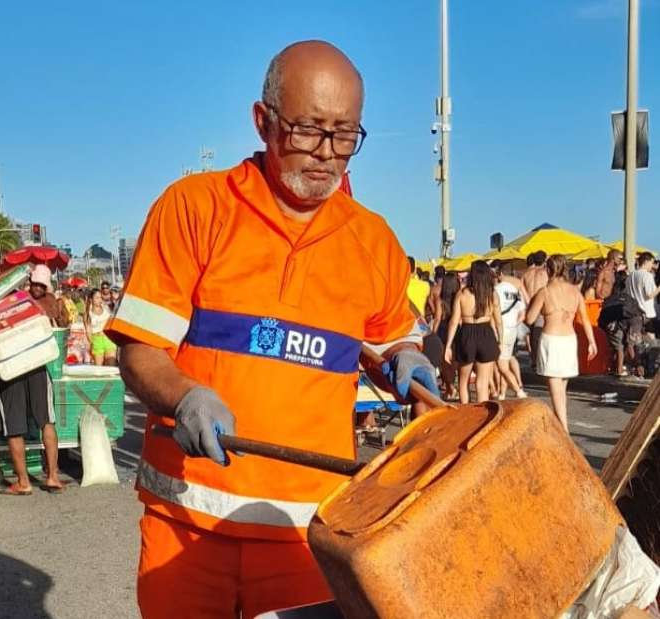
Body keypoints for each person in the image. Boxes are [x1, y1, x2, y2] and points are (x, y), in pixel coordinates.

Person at [105, 40, 438, 618]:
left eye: (345, 135)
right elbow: (140, 350)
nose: (327, 154)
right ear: (263, 121)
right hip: (188, 521)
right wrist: (184, 396)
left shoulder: (373, 240)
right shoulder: (194, 208)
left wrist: (405, 358)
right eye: (308, 130)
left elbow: (391, 339)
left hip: (308, 530)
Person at [0, 267, 66, 496]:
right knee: (43, 421)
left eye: (40, 285)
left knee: (17, 425)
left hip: (14, 366)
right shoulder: (50, 302)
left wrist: (10, 277)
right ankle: (48, 477)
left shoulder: (18, 299)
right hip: (33, 365)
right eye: (35, 283)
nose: (37, 288)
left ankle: (29, 481)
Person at [526, 255, 597, 431]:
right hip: (569, 340)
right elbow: (585, 319)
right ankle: (561, 426)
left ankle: (563, 430)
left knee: (556, 391)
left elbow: (530, 319)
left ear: (548, 270)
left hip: (551, 340)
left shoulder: (544, 292)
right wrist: (591, 341)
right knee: (561, 390)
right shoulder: (575, 292)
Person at [444, 260, 501, 404]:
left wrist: (448, 345)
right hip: (486, 333)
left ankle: (466, 411)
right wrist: (500, 340)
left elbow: (454, 321)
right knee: (482, 383)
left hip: (467, 333)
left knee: (463, 381)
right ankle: (482, 413)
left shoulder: (462, 294)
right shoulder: (492, 294)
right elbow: (499, 321)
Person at [492, 262, 528, 399]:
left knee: (502, 366)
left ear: (500, 274)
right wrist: (513, 323)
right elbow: (522, 314)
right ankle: (502, 393)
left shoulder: (495, 290)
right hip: (512, 330)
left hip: (500, 330)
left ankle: (518, 390)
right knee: (505, 361)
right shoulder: (515, 291)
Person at [433, 272, 460, 400]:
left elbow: (437, 318)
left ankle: (450, 388)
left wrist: (433, 333)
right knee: (454, 361)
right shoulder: (459, 297)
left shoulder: (440, 300)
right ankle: (452, 388)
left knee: (443, 362)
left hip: (443, 330)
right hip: (456, 329)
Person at [522, 251, 548, 366]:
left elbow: (521, 291)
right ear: (544, 261)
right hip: (540, 306)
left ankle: (534, 360)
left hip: (528, 306)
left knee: (532, 335)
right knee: (540, 335)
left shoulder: (525, 274)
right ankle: (540, 360)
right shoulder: (545, 273)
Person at [626, 252, 660, 335]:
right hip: (646, 313)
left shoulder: (631, 275)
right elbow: (650, 295)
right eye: (651, 262)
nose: (652, 265)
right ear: (646, 262)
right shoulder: (647, 275)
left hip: (633, 313)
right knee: (650, 338)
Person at [85, 288, 117, 366]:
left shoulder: (106, 307)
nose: (99, 300)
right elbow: (88, 331)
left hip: (108, 338)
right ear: (91, 299)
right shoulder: (88, 313)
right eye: (97, 298)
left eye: (100, 297)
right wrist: (91, 343)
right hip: (97, 340)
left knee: (111, 365)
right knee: (99, 368)